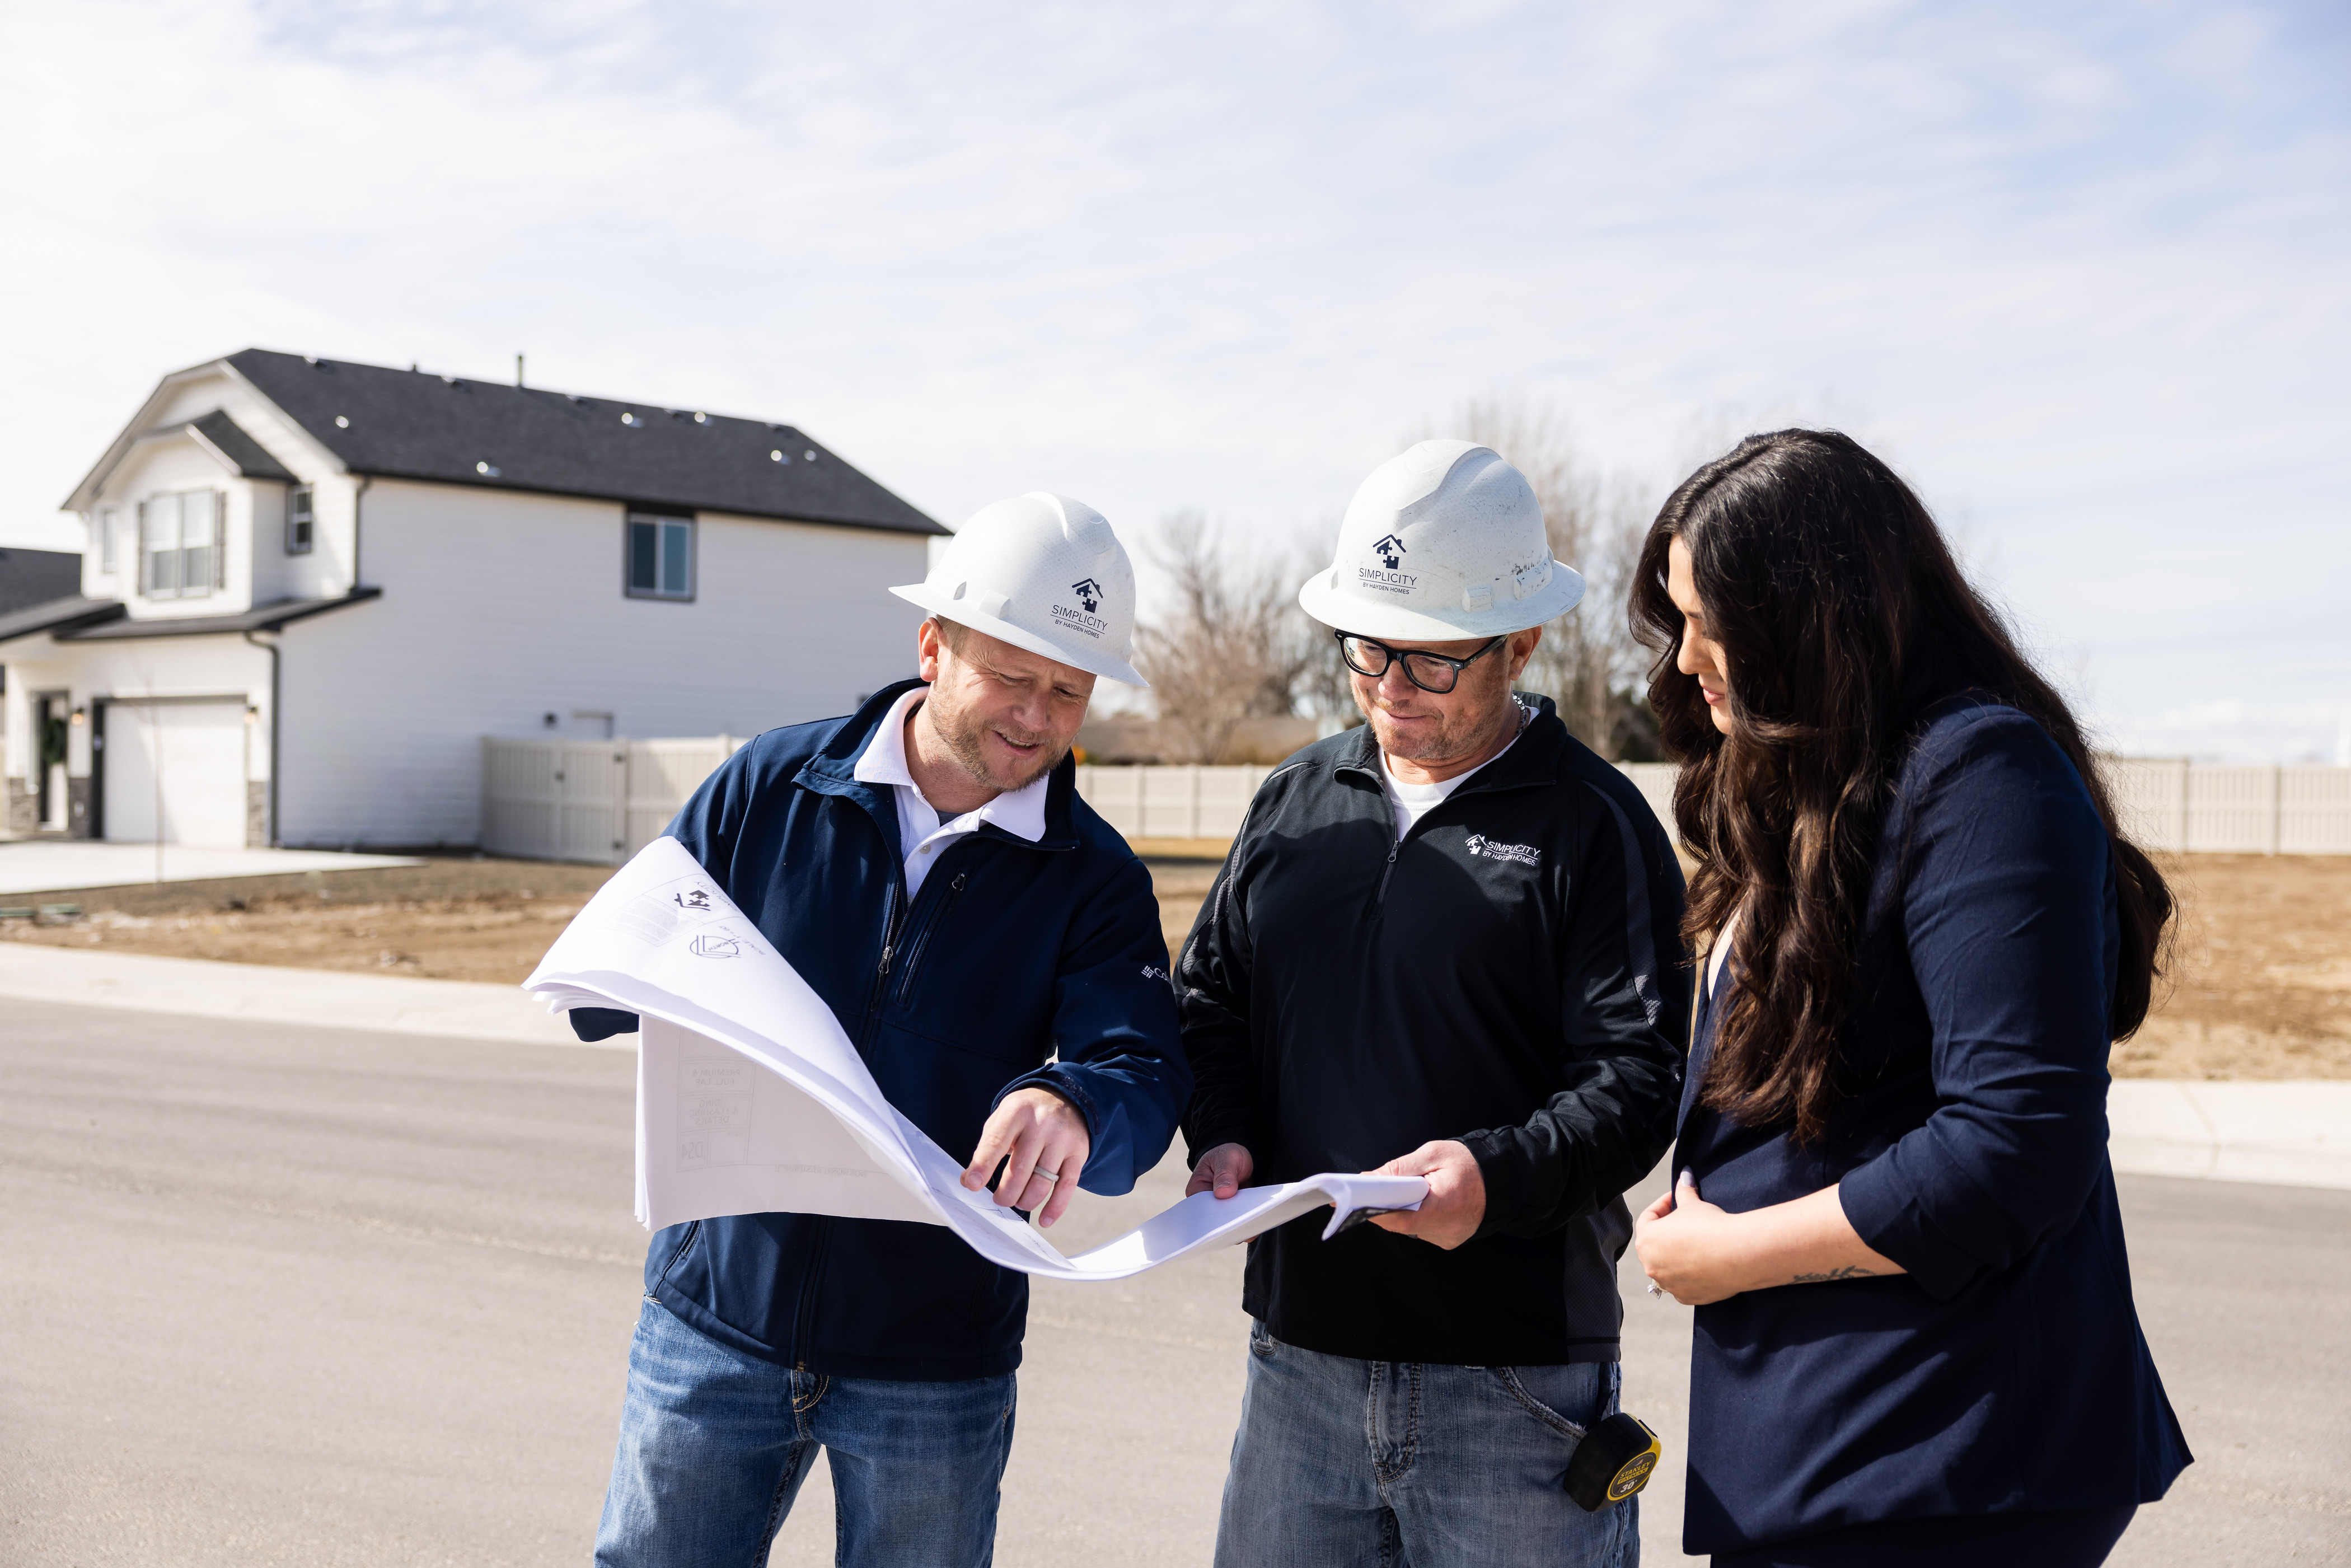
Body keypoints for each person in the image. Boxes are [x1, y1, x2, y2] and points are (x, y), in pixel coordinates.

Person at [575, 493, 1192, 1568]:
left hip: (934, 1363)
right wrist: (612, 980)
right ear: (933, 644)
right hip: (716, 1322)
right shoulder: (772, 786)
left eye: (1069, 690)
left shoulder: (1093, 881)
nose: (1039, 717)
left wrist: (1077, 1100)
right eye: (1012, 674)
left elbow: (1143, 1068)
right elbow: (621, 959)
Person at [1628, 430, 2190, 1567]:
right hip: (1836, 1444)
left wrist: (1731, 1256)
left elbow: (2015, 1145)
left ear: (1810, 613)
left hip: (1953, 1455)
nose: (1687, 658)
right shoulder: (1817, 785)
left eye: (1709, 618)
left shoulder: (1982, 775)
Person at [1178, 440, 1689, 1568]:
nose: (1390, 691)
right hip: (1297, 1370)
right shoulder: (1295, 801)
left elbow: (1639, 1081)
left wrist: (1493, 1177)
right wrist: (1222, 1130)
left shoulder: (1594, 828)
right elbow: (1212, 998)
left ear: (1522, 644)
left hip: (1515, 1391)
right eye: (1367, 653)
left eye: (1432, 664)